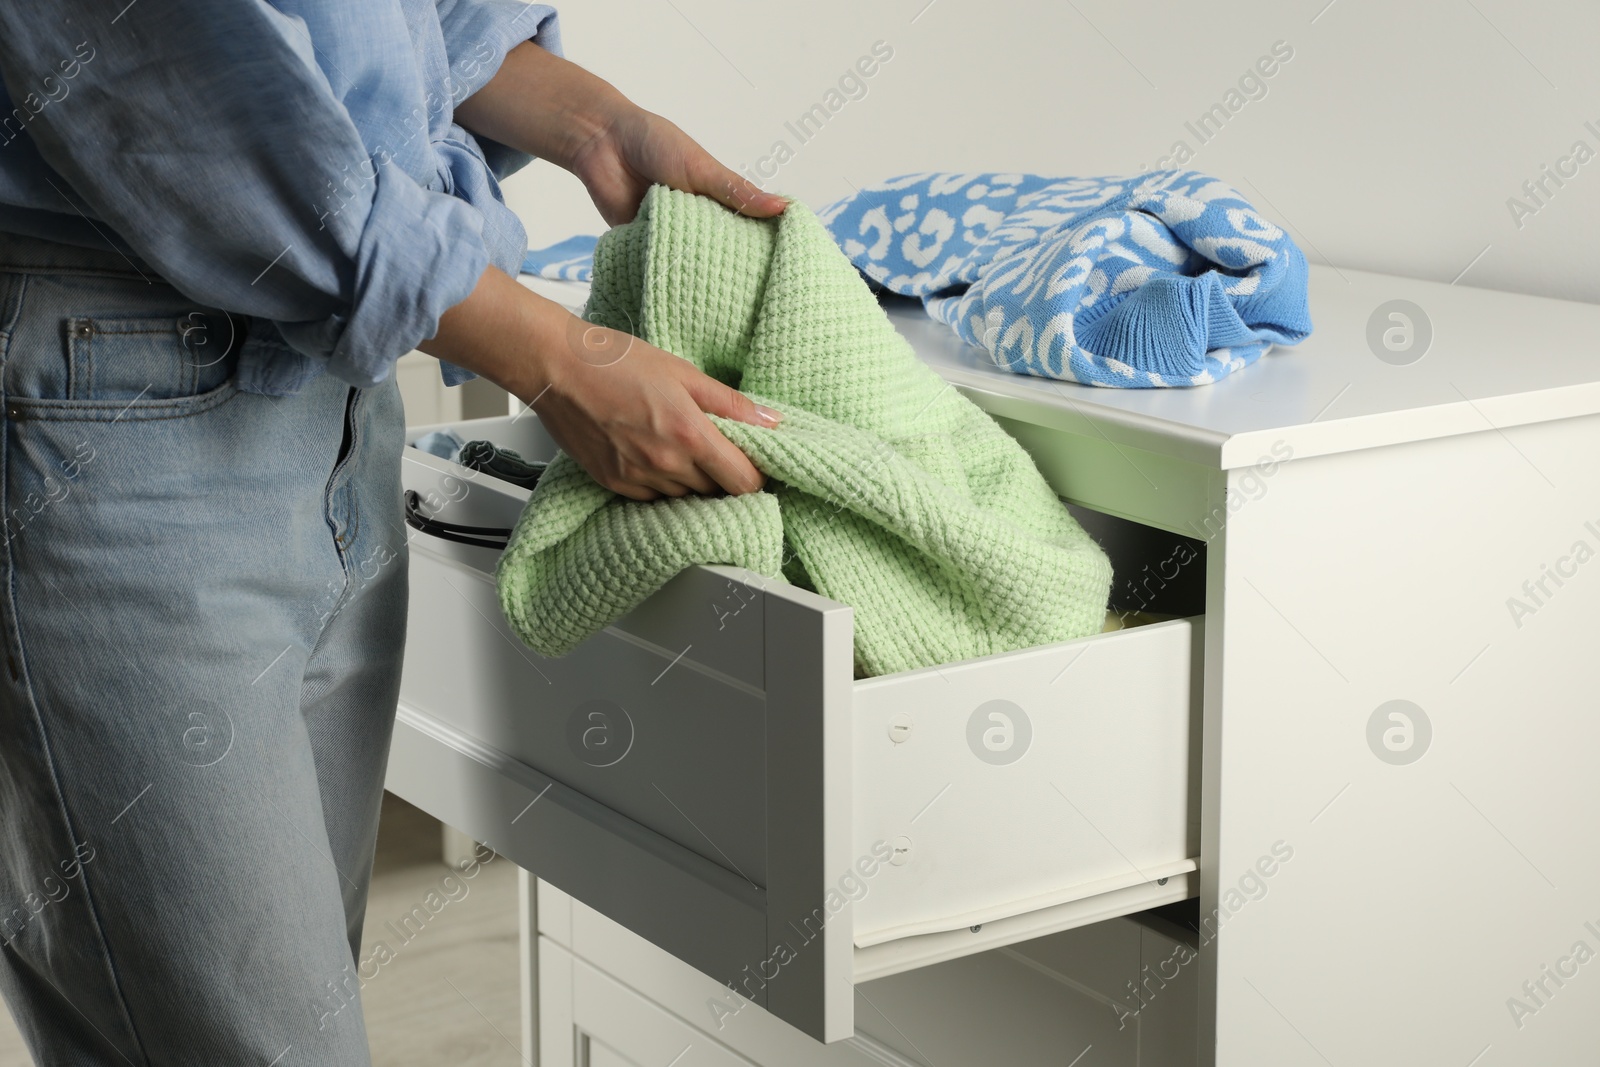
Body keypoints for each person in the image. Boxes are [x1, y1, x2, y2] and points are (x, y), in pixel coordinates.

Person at [0, 2, 780, 1063]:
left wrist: (598, 125)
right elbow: (197, 92)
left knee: (281, 1001)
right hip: (111, 404)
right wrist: (554, 358)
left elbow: (413, 28)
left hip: (340, 389)